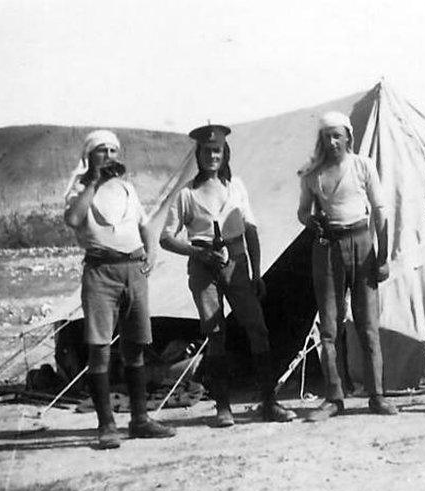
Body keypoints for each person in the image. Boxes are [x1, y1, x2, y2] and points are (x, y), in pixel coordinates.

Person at [160, 124, 295, 426]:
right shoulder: (187, 194)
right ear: (199, 154)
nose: (212, 156)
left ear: (225, 153)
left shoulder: (236, 187)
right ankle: (223, 407)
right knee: (215, 333)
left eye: (217, 151)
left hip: (237, 263)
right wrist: (197, 253)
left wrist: (257, 272)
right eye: (207, 151)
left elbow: (250, 229)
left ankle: (269, 402)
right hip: (203, 266)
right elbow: (166, 238)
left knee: (257, 328)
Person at [64, 130, 176, 449]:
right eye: (103, 151)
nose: (111, 156)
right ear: (90, 156)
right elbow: (73, 218)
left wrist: (151, 255)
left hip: (134, 268)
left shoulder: (127, 188)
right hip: (101, 271)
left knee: (136, 346)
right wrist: (94, 181)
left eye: (114, 150)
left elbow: (144, 224)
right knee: (99, 348)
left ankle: (140, 420)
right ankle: (106, 425)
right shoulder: (80, 188)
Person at [296, 111, 399, 421]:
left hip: (361, 241)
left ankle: (376, 395)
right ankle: (334, 396)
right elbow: (302, 212)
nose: (332, 142)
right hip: (328, 247)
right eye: (327, 136)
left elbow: (380, 211)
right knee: (329, 325)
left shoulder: (362, 166)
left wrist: (382, 257)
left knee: (368, 324)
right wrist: (311, 221)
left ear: (348, 137)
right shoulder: (312, 174)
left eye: (337, 135)